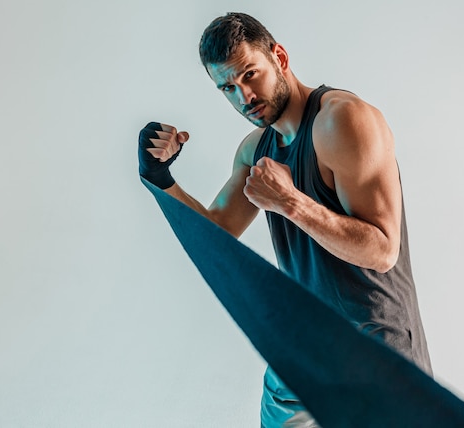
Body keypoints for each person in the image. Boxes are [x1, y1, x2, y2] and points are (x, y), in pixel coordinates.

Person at [138, 12, 432, 428]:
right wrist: (161, 180)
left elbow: (382, 251)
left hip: (374, 350)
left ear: (279, 56)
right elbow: (217, 233)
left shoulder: (342, 120)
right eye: (227, 87)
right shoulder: (255, 149)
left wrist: (292, 203)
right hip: (302, 351)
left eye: (249, 74)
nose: (243, 97)